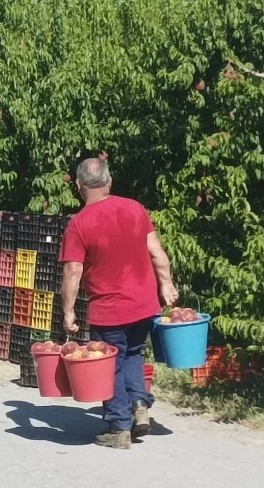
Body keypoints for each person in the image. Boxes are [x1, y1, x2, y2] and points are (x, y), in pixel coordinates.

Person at [59, 157, 179, 449]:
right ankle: (139, 403)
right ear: (109, 181)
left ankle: (118, 427)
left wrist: (68, 312)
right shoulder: (135, 209)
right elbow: (156, 252)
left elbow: (73, 271)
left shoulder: (79, 224)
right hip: (144, 303)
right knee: (133, 354)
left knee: (109, 364)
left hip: (109, 309)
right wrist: (166, 283)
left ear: (78, 186)